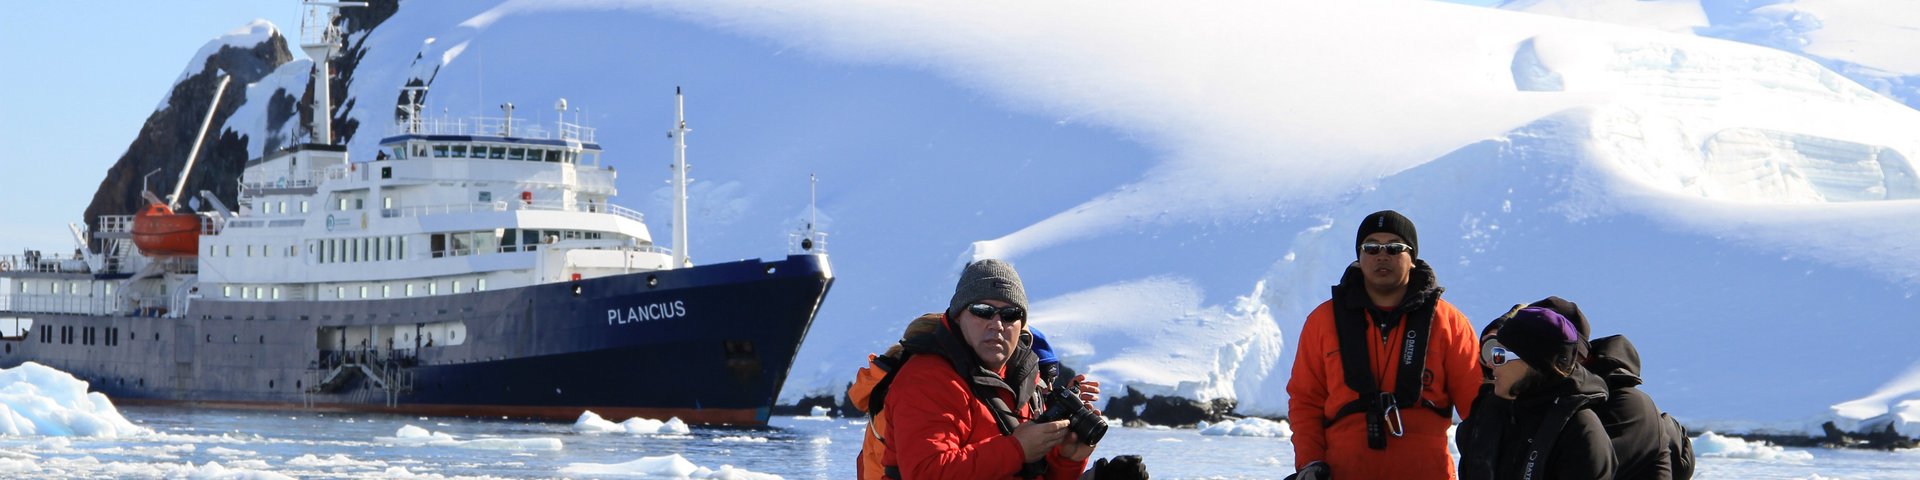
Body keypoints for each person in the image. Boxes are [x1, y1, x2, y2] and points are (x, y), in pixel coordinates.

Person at [1286, 210, 1483, 480]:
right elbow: (1305, 401)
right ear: (1359, 256)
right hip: (1343, 472)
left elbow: (1479, 408)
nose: (1382, 255)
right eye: (1371, 247)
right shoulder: (1323, 320)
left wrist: (1486, 466)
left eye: (1394, 247)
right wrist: (1310, 462)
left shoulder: (1449, 322)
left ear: (1412, 257)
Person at [881, 259, 1098, 479]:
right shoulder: (927, 379)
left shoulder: (1025, 378)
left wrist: (1067, 459)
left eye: (1010, 314)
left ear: (1021, 324)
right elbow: (926, 473)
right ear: (958, 316)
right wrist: (1017, 448)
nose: (997, 324)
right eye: (983, 311)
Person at [1469, 307, 1615, 480]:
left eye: (1499, 355)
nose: (1491, 364)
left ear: (1532, 363)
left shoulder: (1580, 432)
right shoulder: (1492, 413)